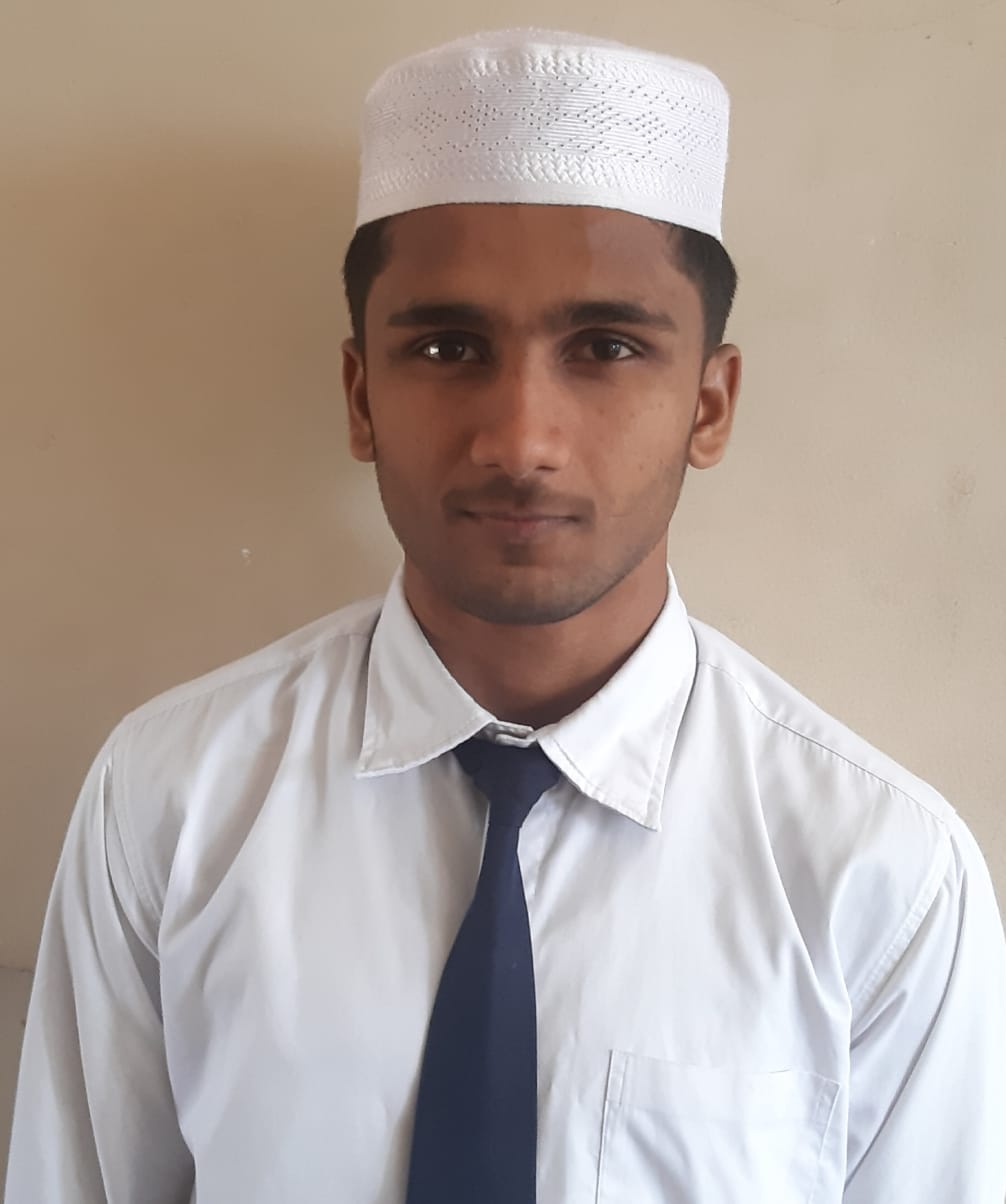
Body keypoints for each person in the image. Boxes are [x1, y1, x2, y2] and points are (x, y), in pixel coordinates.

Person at [6, 27, 1005, 1204]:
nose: (521, 440)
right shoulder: (172, 802)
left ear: (709, 404)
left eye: (607, 347)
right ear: (361, 394)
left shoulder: (878, 874)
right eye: (447, 345)